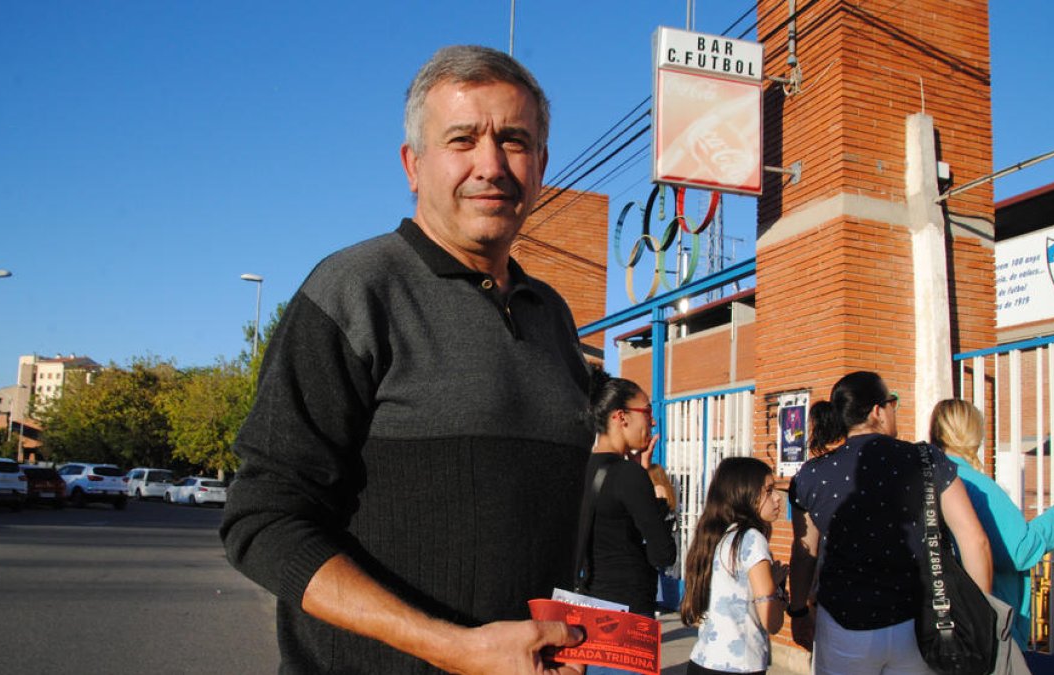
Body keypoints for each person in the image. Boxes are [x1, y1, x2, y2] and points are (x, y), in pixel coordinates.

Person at [221, 45, 595, 674]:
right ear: (413, 165)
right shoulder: (354, 291)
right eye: (462, 139)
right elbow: (262, 521)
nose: (491, 165)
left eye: (514, 141)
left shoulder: (552, 317)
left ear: (541, 166)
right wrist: (456, 649)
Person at [787, 371, 993, 675]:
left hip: (843, 623)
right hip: (919, 624)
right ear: (877, 411)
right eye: (892, 402)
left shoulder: (811, 475)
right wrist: (978, 618)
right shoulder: (926, 459)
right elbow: (975, 540)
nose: (894, 409)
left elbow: (805, 552)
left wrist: (798, 610)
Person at [929, 398, 1054, 646]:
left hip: (936, 617)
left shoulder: (926, 477)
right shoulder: (977, 485)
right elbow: (1019, 550)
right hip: (988, 622)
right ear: (973, 433)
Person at [576, 369, 675, 649]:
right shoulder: (629, 475)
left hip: (586, 609)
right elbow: (663, 553)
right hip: (628, 615)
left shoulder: (580, 467)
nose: (652, 421)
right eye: (647, 411)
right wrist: (658, 502)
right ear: (621, 417)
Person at [680, 457, 788, 675]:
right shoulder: (751, 539)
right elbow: (771, 621)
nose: (777, 498)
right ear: (744, 494)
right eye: (769, 491)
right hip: (739, 664)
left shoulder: (716, 536)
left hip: (703, 659)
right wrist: (776, 589)